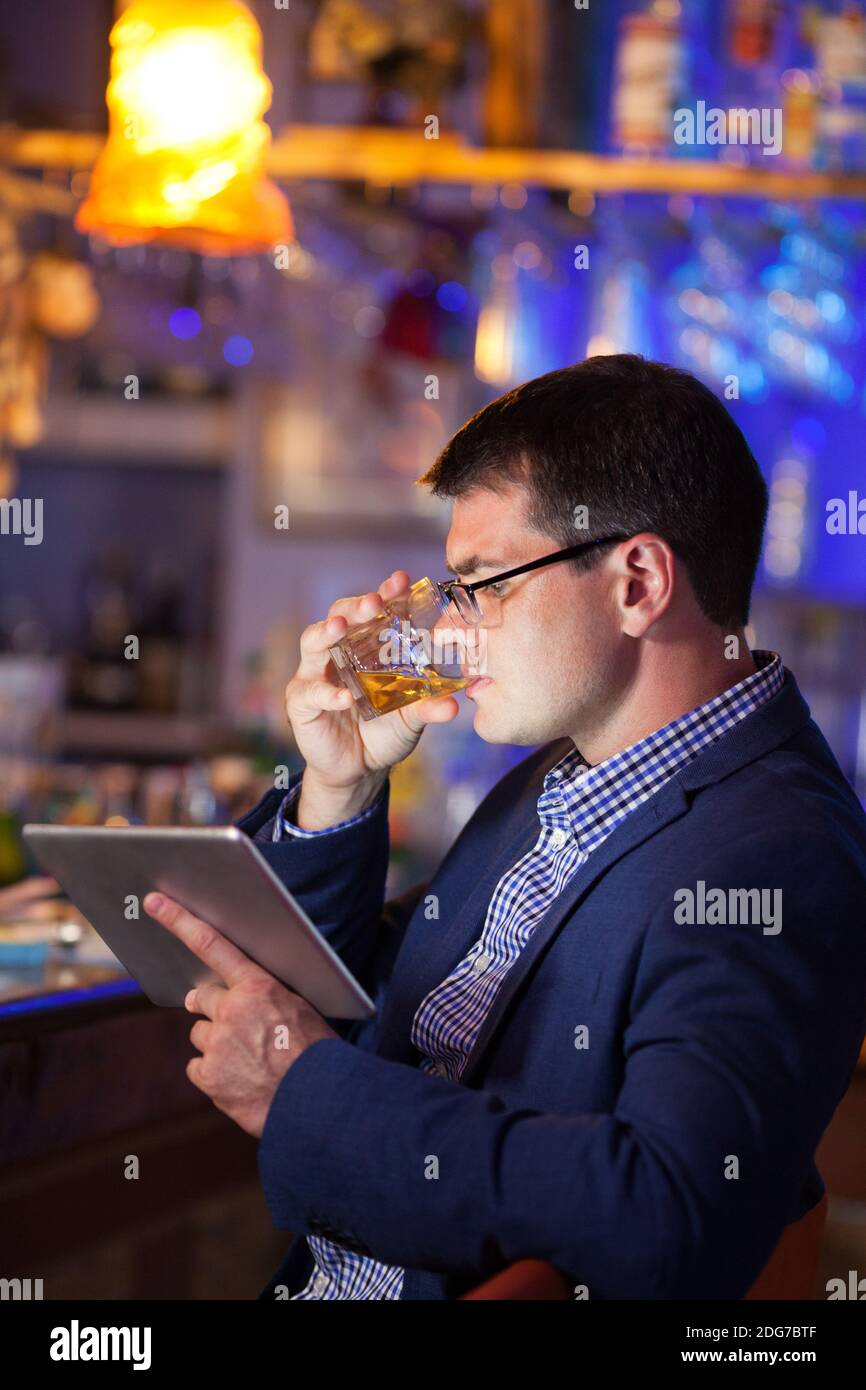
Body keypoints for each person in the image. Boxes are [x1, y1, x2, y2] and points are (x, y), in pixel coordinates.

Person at [144, 354, 866, 1300]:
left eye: (485, 584)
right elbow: (358, 1000)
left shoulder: (777, 854)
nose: (451, 632)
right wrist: (339, 786)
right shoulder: (559, 777)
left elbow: (668, 1212)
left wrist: (305, 1093)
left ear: (638, 581)